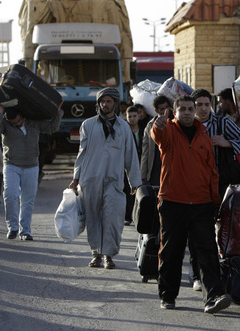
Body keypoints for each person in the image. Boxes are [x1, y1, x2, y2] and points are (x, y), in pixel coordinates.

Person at [151, 95, 231, 313]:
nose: (187, 112)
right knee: (171, 252)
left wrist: (215, 202)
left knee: (207, 252)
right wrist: (158, 125)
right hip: (172, 202)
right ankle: (167, 295)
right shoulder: (168, 131)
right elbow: (158, 136)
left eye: (190, 109)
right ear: (175, 112)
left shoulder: (204, 136)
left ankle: (213, 297)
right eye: (182, 109)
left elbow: (212, 172)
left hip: (202, 204)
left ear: (194, 111)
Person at [69, 87, 141, 269]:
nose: (105, 104)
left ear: (115, 104)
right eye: (103, 101)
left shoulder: (124, 127)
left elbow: (131, 156)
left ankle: (109, 255)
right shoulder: (88, 125)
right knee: (93, 218)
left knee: (113, 217)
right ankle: (96, 254)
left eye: (109, 101)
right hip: (90, 179)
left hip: (114, 181)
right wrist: (75, 178)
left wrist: (135, 182)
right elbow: (82, 153)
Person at [0, 103, 63, 241]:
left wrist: (58, 112)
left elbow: (52, 127)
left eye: (19, 121)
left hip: (31, 166)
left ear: (22, 115)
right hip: (11, 165)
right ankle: (13, 227)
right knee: (10, 194)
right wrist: (0, 112)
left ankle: (25, 231)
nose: (17, 124)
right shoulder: (4, 124)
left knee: (28, 200)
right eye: (14, 123)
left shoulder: (33, 123)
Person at [192, 88, 240, 196]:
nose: (203, 109)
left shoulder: (222, 123)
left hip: (219, 181)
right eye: (199, 105)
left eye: (207, 105)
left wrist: (228, 143)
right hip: (194, 181)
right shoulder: (188, 125)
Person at [141, 95, 172, 185]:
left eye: (167, 107)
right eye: (162, 109)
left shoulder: (174, 123)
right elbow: (145, 151)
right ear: (156, 111)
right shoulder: (150, 126)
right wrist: (143, 174)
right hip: (155, 168)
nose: (166, 111)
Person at [123, 106, 143, 226]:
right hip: (127, 165)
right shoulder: (124, 130)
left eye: (134, 116)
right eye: (129, 116)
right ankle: (128, 216)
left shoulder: (143, 129)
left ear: (138, 116)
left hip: (141, 163)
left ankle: (139, 215)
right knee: (128, 190)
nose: (132, 118)